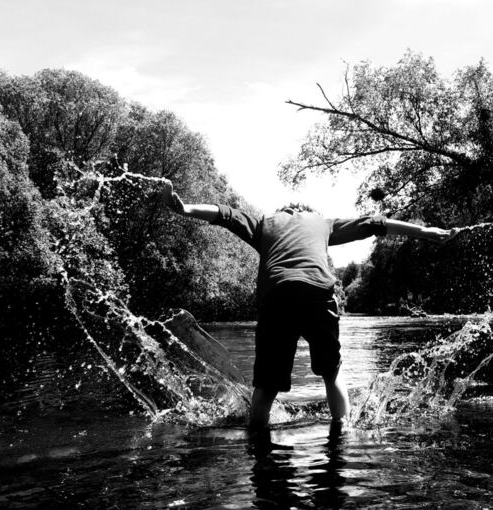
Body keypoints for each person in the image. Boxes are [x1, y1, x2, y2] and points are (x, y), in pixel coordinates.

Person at [162, 183, 457, 429]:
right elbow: (374, 224)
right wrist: (428, 232)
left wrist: (184, 208)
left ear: (285, 210)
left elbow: (224, 214)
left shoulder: (265, 222)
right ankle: (343, 432)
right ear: (307, 212)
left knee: (265, 387)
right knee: (331, 373)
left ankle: (258, 444)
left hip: (276, 296)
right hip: (318, 292)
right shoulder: (322, 222)